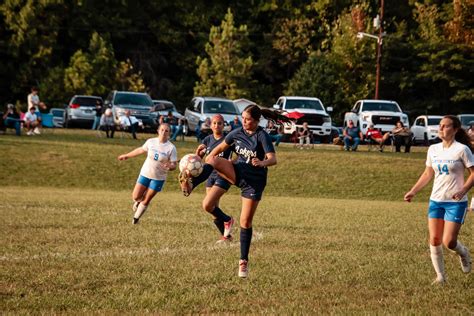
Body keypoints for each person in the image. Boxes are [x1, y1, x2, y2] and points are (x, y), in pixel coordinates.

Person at [178, 104, 291, 278]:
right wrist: (205, 160)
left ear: (256, 121)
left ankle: (243, 262)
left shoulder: (262, 136)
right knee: (215, 160)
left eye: (248, 119)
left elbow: (273, 159)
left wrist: (262, 163)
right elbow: (220, 148)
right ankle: (192, 183)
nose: (244, 122)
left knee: (245, 222)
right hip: (237, 172)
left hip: (254, 182)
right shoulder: (237, 132)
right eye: (243, 118)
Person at [404, 115, 473, 285]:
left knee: (449, 241)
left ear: (455, 129)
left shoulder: (462, 149)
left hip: (456, 202)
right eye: (440, 125)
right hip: (436, 200)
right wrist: (413, 191)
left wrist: (464, 189)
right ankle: (440, 277)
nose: (441, 128)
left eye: (445, 126)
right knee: (434, 239)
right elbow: (428, 173)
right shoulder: (433, 149)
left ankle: (463, 253)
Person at [118, 123, 177, 224]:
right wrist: (127, 155)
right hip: (145, 173)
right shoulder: (151, 142)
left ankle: (135, 219)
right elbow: (141, 150)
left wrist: (170, 166)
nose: (164, 132)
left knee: (147, 199)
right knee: (136, 196)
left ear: (169, 134)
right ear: (158, 131)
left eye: (166, 131)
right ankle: (137, 202)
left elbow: (174, 164)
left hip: (159, 178)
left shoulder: (171, 148)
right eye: (162, 130)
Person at [195, 114, 235, 243]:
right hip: (210, 177)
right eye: (214, 123)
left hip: (223, 176)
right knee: (213, 210)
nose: (217, 125)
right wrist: (198, 153)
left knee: (208, 205)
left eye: (220, 123)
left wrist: (232, 163)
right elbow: (199, 160)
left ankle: (228, 220)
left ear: (224, 125)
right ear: (211, 125)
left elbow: (240, 155)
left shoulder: (228, 140)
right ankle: (226, 237)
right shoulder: (207, 140)